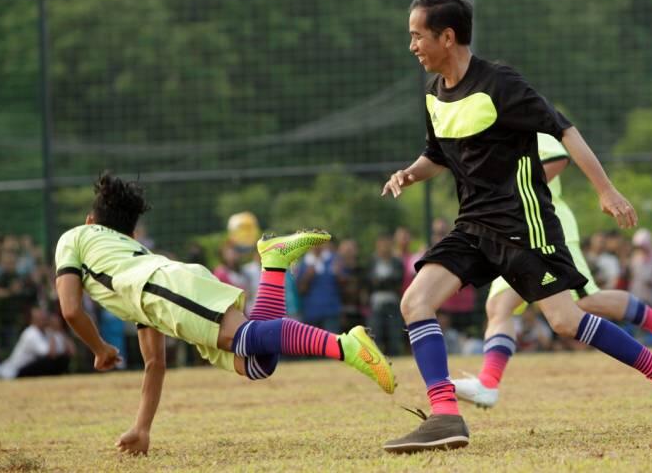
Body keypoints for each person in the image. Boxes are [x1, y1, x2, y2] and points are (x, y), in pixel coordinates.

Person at [380, 0, 652, 453]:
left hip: (523, 225)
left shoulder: (500, 83)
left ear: (447, 36)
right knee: (415, 301)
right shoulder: (435, 95)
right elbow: (436, 154)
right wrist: (410, 174)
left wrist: (606, 189)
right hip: (473, 226)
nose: (412, 45)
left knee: (566, 320)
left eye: (417, 35)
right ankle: (444, 416)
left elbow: (564, 129)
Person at [54, 172, 396, 455]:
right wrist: (142, 428)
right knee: (257, 364)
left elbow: (70, 309)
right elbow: (154, 363)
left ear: (89, 221)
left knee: (246, 338)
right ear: (129, 233)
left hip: (166, 287)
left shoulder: (76, 237)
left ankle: (347, 346)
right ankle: (274, 264)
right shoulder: (129, 257)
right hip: (165, 294)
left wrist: (100, 349)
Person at [452, 133, 652, 409]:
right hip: (511, 233)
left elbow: (557, 159)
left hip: (547, 228)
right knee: (498, 307)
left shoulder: (517, 118)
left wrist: (505, 193)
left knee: (585, 302)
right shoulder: (476, 131)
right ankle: (488, 383)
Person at [367, 233, 406, 357]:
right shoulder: (372, 261)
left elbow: (397, 281)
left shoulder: (396, 262)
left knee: (394, 336)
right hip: (376, 304)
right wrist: (387, 281)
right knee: (375, 335)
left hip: (393, 303)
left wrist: (380, 281)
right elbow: (368, 281)